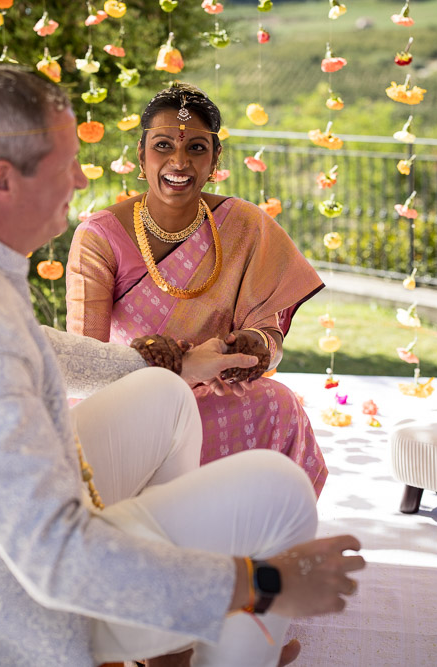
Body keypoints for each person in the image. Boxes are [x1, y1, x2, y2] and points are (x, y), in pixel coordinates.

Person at [0, 64, 364, 667]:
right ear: (3, 181)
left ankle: (169, 648)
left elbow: (41, 348)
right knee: (281, 500)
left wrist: (178, 364)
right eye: (66, 165)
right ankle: (186, 634)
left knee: (164, 396)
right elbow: (54, 557)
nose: (83, 179)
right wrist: (261, 584)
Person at [66, 82, 329, 496]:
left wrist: (252, 348)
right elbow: (85, 365)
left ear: (215, 158)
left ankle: (255, 539)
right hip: (135, 401)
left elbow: (271, 338)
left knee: (278, 403)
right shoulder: (100, 236)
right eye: (163, 146)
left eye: (195, 149)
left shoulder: (244, 226)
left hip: (216, 396)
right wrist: (170, 365)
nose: (179, 162)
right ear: (141, 153)